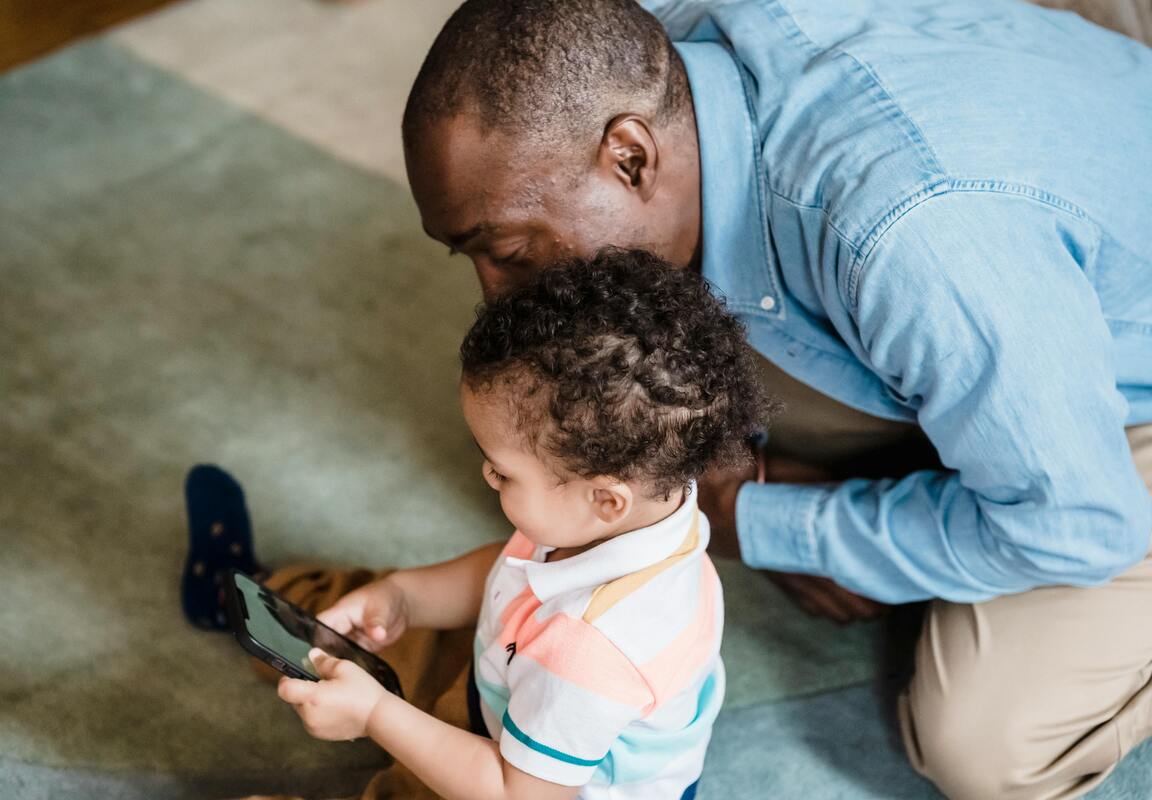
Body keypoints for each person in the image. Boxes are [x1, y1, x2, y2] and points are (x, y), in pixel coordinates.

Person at [393, 1, 1152, 798]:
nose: (494, 296)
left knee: (983, 743)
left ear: (629, 156)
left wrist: (755, 517)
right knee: (543, 444)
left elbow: (1076, 525)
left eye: (508, 252)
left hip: (1110, 382)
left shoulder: (913, 245)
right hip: (1016, 219)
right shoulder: (632, 42)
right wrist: (723, 464)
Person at [186, 251, 773, 799]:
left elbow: (517, 791)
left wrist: (374, 717)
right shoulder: (641, 504)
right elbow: (510, 569)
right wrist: (403, 597)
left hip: (515, 780)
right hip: (502, 679)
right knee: (336, 618)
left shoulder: (592, 650)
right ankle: (251, 598)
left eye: (503, 472)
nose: (487, 476)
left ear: (605, 499)